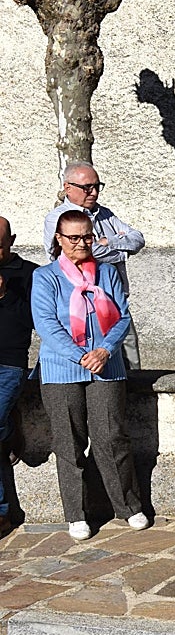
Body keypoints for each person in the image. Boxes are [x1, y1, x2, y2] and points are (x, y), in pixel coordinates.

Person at [32, 210, 149, 542]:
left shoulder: (107, 272)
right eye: (74, 238)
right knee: (68, 442)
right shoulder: (46, 277)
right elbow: (46, 325)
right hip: (61, 368)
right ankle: (76, 513)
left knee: (112, 437)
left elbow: (122, 316)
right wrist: (79, 355)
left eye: (87, 236)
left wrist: (105, 351)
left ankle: (128, 506)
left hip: (106, 366)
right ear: (59, 240)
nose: (82, 243)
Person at [44, 163, 145, 369]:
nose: (94, 192)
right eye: (87, 187)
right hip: (79, 302)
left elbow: (138, 239)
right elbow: (68, 254)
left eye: (97, 186)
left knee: (130, 355)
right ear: (68, 187)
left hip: (115, 298)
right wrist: (118, 250)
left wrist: (110, 242)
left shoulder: (105, 213)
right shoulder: (58, 218)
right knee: (92, 355)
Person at [0, 215, 35, 534]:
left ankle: (2, 511)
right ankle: (9, 429)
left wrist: (5, 297)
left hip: (8, 362)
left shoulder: (29, 274)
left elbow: (32, 321)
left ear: (11, 241)